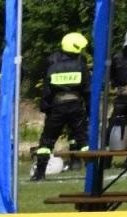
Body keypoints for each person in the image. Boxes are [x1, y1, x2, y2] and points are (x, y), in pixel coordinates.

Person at [32, 32, 91, 181]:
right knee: (83, 140)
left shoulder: (53, 67)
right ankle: (92, 171)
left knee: (46, 142)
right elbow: (87, 90)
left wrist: (46, 108)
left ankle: (39, 174)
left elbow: (47, 91)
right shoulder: (81, 66)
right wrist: (90, 110)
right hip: (76, 107)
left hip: (57, 108)